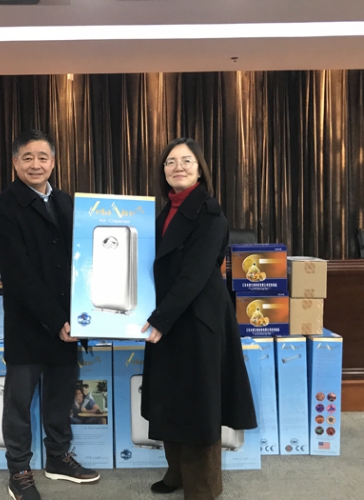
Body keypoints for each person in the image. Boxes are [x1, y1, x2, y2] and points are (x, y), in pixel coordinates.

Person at [140, 138, 258, 500]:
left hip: (197, 319)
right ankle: (176, 473)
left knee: (198, 406)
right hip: (171, 315)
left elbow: (194, 274)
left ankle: (203, 488)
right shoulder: (166, 211)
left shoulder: (209, 213)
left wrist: (160, 319)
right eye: (170, 161)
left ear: (200, 169)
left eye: (186, 161)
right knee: (171, 399)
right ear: (163, 171)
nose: (178, 167)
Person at [0, 129, 99, 500]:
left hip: (69, 320)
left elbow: (84, 261)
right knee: (18, 403)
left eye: (43, 157)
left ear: (53, 162)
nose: (35, 164)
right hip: (30, 323)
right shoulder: (3, 207)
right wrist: (57, 321)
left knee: (60, 397)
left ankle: (58, 458)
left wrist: (81, 315)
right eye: (27, 157)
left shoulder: (66, 201)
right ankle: (19, 471)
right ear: (15, 163)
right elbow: (18, 273)